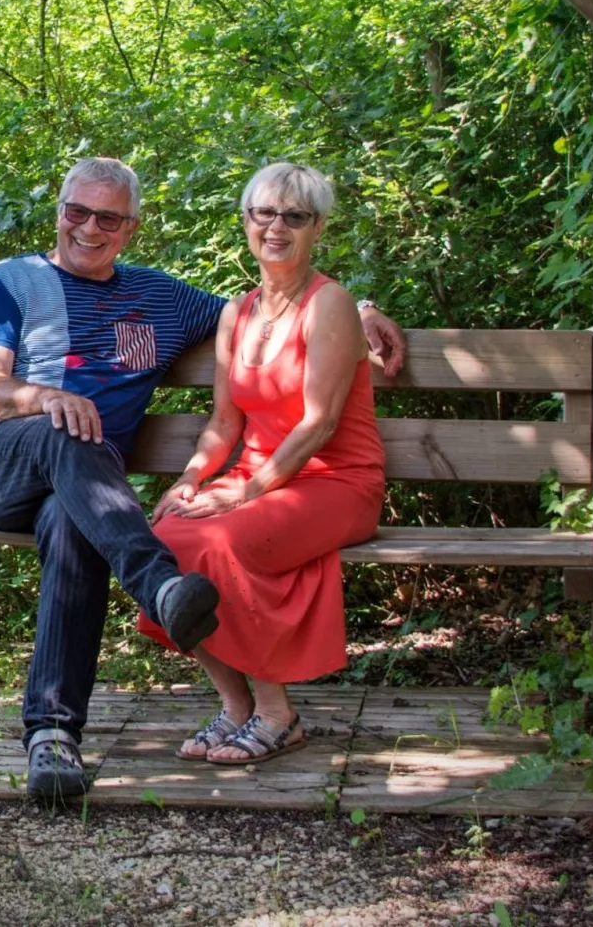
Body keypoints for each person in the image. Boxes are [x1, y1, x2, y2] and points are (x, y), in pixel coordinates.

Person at [0, 157, 404, 802]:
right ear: (58, 212)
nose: (88, 228)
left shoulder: (161, 297)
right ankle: (159, 584)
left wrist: (356, 308)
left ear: (131, 228)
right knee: (70, 432)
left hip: (87, 490)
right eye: (76, 212)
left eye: (108, 218)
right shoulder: (11, 281)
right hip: (2, 459)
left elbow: (278, 298)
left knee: (74, 520)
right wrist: (42, 398)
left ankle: (52, 735)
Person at [139, 162, 385, 766]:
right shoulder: (237, 313)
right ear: (246, 221)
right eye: (264, 214)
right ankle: (235, 705)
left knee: (224, 542)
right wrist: (193, 479)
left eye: (294, 217)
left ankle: (280, 715)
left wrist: (243, 495)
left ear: (317, 227)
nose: (277, 227)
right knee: (161, 540)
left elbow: (319, 423)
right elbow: (225, 422)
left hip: (334, 481)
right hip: (258, 476)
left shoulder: (329, 305)